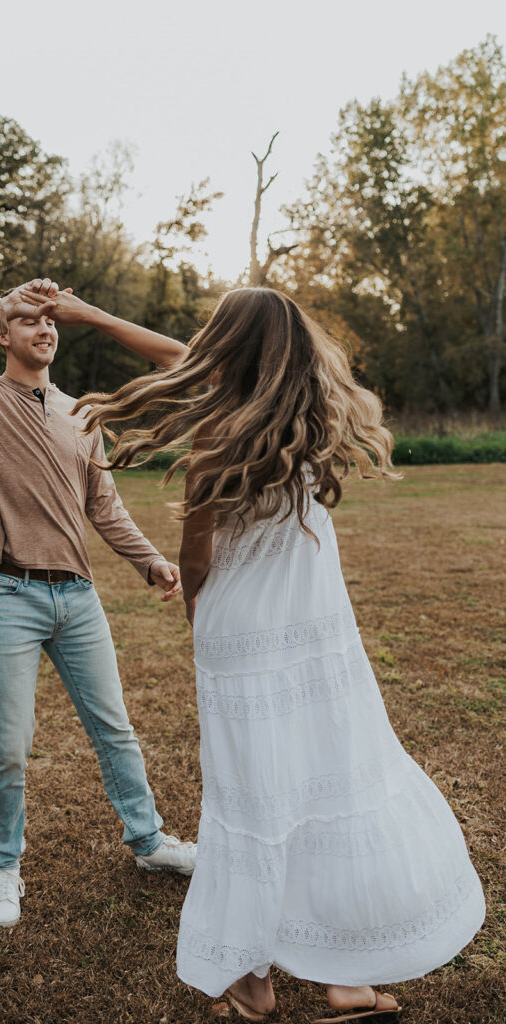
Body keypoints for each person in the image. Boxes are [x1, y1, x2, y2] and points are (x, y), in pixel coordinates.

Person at [32, 282, 486, 1023]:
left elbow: (196, 553)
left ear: (227, 351)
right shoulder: (312, 419)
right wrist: (91, 316)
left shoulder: (219, 429)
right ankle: (346, 983)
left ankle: (251, 982)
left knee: (250, 795)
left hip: (239, 633)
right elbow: (183, 359)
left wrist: (193, 616)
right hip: (316, 632)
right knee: (331, 778)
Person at [0, 279, 197, 931]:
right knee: (8, 745)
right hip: (7, 592)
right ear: (3, 335)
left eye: (50, 321)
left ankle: (148, 844)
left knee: (115, 730)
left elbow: (103, 506)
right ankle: (3, 867)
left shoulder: (82, 415)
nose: (44, 329)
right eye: (27, 322)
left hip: (78, 597)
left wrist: (148, 558)